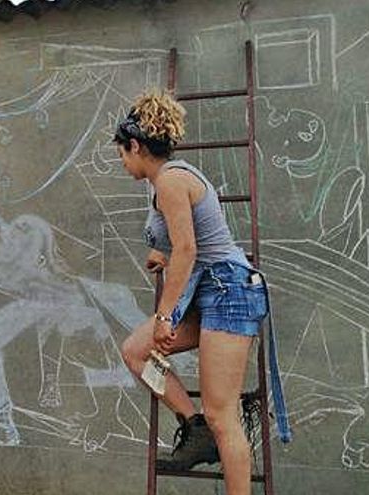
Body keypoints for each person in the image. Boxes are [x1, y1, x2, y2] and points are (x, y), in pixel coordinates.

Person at [116, 91, 270, 495]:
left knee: (224, 416)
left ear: (135, 146)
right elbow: (179, 241)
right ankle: (193, 425)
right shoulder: (167, 183)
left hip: (228, 292)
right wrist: (159, 253)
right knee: (135, 350)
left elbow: (189, 248)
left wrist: (165, 315)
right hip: (207, 291)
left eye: (122, 153)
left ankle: (210, 431)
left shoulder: (170, 180)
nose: (122, 162)